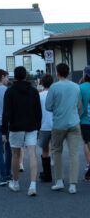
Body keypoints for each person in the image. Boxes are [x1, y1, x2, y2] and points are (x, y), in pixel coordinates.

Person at [2, 66, 42, 196]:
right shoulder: (33, 91)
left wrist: (4, 131)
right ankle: (33, 185)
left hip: (15, 126)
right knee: (32, 154)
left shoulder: (10, 91)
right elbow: (38, 112)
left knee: (15, 154)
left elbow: (6, 113)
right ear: (26, 76)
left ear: (15, 76)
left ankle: (15, 182)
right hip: (31, 126)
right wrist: (38, 127)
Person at [46, 63, 80, 194]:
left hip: (59, 123)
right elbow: (77, 104)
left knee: (57, 151)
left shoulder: (54, 87)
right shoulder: (76, 87)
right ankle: (73, 184)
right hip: (74, 122)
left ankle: (59, 181)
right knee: (74, 153)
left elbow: (48, 106)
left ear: (57, 73)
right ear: (69, 72)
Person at [38, 74, 54, 182]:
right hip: (55, 125)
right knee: (56, 150)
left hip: (43, 126)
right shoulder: (55, 94)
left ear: (42, 83)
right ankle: (59, 175)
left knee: (44, 150)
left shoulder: (39, 96)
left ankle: (46, 174)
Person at [78, 66, 90, 180]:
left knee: (86, 142)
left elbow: (80, 106)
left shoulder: (80, 87)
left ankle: (89, 164)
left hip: (85, 120)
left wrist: (78, 118)